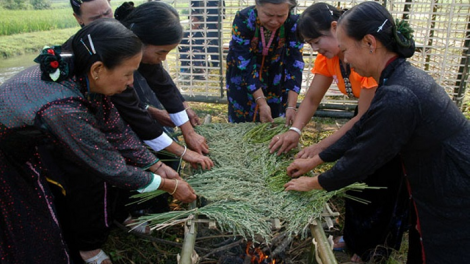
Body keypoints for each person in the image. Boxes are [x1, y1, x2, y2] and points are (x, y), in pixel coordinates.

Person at [284, 2, 470, 263]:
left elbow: (362, 159)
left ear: (370, 43)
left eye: (346, 50)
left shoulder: (399, 94)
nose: (345, 60)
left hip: (453, 188)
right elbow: (362, 126)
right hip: (436, 182)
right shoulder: (395, 78)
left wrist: (315, 183)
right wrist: (316, 160)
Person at [0, 19, 196, 264]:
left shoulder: (82, 76)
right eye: (127, 74)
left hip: (29, 143)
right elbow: (112, 168)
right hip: (8, 159)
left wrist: (155, 165)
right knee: (32, 221)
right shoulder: (63, 109)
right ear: (98, 69)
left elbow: (117, 129)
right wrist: (171, 186)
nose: (131, 83)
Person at [269, 3, 408, 262]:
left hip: (381, 124)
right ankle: (354, 239)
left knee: (377, 189)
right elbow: (311, 99)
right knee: (355, 182)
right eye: (309, 44)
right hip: (366, 118)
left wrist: (321, 149)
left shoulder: (368, 60)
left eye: (316, 41)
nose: (314, 49)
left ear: (335, 29)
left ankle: (373, 249)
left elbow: (362, 120)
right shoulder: (330, 57)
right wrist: (296, 131)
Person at [225, 0, 304, 124]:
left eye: (280, 16)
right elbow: (244, 63)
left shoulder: (293, 23)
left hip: (276, 75)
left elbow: (295, 63)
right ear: (257, 6)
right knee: (242, 122)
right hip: (244, 78)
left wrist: (291, 106)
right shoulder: (244, 19)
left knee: (275, 121)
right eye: (268, 15)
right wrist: (261, 102)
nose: (274, 21)